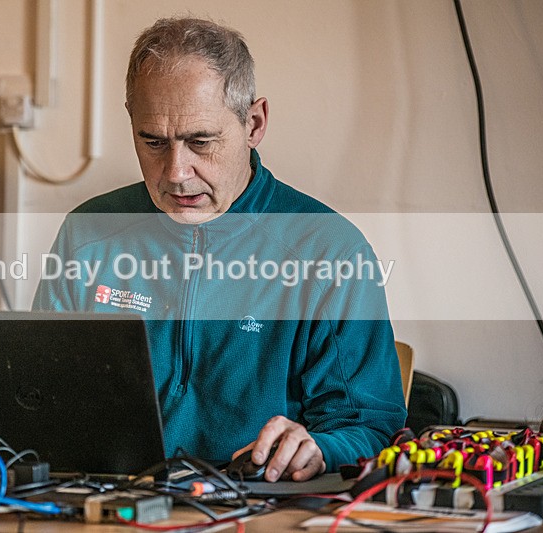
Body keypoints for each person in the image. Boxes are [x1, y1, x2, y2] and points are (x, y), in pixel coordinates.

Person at [33, 17, 406, 481]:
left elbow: (370, 427)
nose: (176, 172)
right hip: (106, 500)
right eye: (153, 142)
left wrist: (320, 447)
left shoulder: (329, 252)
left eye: (200, 142)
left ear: (253, 123)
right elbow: (38, 397)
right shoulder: (88, 232)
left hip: (254, 506)